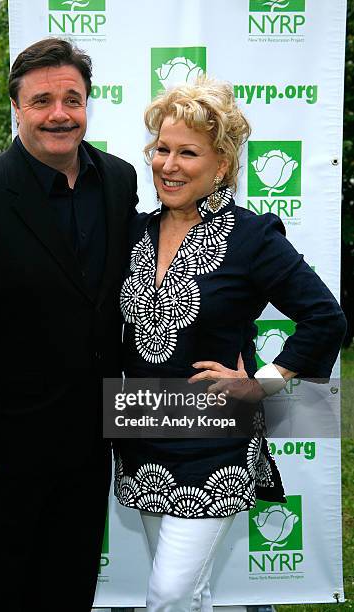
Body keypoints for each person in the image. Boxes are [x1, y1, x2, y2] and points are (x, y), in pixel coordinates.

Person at [0, 37, 138, 611]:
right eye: (42, 101)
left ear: (89, 104)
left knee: (69, 586)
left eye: (73, 98)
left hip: (91, 439)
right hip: (1, 448)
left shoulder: (118, 181)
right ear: (17, 108)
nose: (59, 114)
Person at [114, 77, 346, 611]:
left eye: (187, 153)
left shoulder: (251, 237)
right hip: (142, 428)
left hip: (215, 436)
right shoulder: (133, 232)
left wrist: (261, 385)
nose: (168, 165)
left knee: (167, 594)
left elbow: (325, 318)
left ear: (221, 165)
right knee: (187, 592)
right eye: (161, 150)